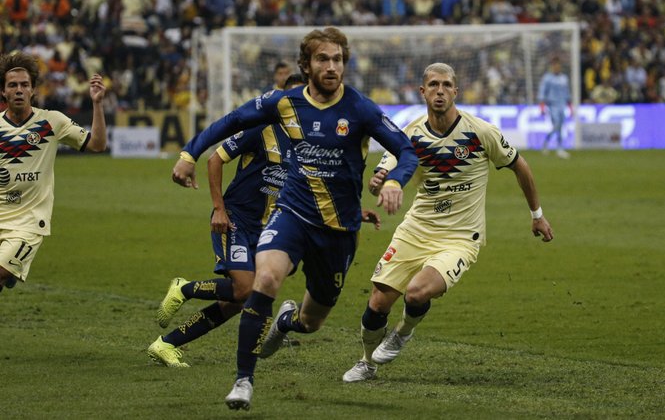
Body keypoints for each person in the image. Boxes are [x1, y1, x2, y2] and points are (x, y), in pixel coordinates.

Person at [170, 27, 418, 410]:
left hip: (338, 232)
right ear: (307, 64)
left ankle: (287, 323)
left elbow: (407, 151)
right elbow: (231, 121)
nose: (332, 66)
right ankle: (243, 382)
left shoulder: (361, 109)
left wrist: (397, 182)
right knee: (265, 278)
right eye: (323, 59)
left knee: (312, 321)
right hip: (292, 215)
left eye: (337, 59)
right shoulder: (284, 102)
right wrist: (189, 155)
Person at [342, 62, 554, 383]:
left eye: (445, 85)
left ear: (456, 91)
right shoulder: (409, 134)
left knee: (415, 293)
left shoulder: (480, 132)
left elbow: (520, 166)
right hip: (415, 230)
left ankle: (403, 332)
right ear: (422, 91)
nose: (439, 91)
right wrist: (382, 181)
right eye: (433, 85)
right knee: (377, 302)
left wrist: (537, 216)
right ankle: (367, 362)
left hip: (460, 238)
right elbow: (386, 168)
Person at [148, 74, 309, 367]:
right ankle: (185, 288)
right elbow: (215, 160)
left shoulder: (305, 141)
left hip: (269, 227)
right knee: (246, 290)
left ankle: (166, 344)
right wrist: (219, 209)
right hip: (236, 219)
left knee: (237, 302)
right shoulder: (260, 128)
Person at [0, 51, 107, 292]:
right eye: (12, 85)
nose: (19, 90)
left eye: (24, 85)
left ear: (33, 90)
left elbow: (97, 145)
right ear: (3, 91)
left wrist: (97, 104)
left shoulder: (51, 122)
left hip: (26, 223)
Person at [538, 57, 571, 159]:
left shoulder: (564, 78)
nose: (556, 67)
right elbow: (542, 92)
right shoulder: (547, 78)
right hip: (552, 105)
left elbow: (567, 93)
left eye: (558, 65)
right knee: (557, 124)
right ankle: (552, 144)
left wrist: (570, 106)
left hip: (562, 105)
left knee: (560, 126)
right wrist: (542, 106)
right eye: (555, 65)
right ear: (552, 67)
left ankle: (557, 148)